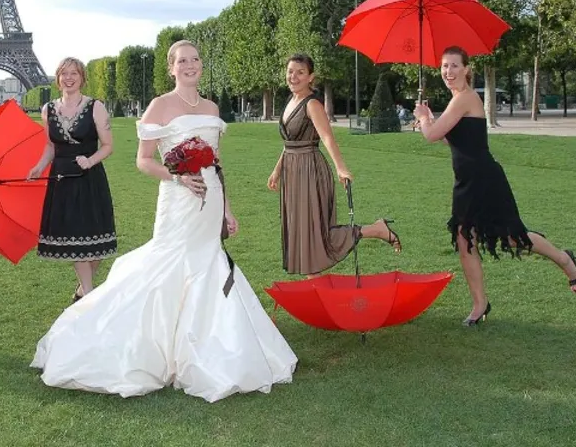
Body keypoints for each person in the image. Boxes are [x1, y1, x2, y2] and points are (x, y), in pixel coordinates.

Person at [32, 40, 297, 402]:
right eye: (182, 61)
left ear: (201, 65)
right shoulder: (160, 105)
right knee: (169, 265)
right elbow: (143, 160)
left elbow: (216, 164)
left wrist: (227, 210)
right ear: (171, 68)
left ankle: (208, 345)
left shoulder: (211, 107)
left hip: (210, 198)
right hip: (178, 199)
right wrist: (177, 177)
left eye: (195, 59)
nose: (189, 65)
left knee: (209, 264)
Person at [413, 45, 576, 327]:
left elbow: (431, 135)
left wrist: (423, 118)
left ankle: (564, 259)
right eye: (444, 66)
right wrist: (428, 119)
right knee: (464, 239)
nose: (448, 71)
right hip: (466, 182)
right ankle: (480, 305)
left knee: (513, 237)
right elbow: (448, 139)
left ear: (467, 69)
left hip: (485, 180)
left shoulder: (465, 98)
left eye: (454, 65)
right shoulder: (456, 101)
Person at [268, 54, 401, 275]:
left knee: (315, 232)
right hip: (292, 171)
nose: (294, 76)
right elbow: (290, 143)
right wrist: (277, 169)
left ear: (311, 77)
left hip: (310, 171)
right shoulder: (290, 102)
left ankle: (376, 230)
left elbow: (328, 137)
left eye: (300, 72)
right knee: (302, 230)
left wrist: (341, 167)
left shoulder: (312, 104)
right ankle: (313, 286)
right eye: (290, 71)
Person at [27, 58, 116, 301]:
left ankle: (81, 291)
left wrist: (90, 160)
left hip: (90, 179)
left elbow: (108, 146)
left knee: (96, 246)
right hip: (62, 180)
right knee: (76, 239)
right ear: (57, 78)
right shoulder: (47, 110)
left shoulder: (96, 107)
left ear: (82, 77)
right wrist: (39, 166)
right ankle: (88, 296)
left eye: (74, 73)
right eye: (64, 73)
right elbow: (50, 146)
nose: (69, 78)